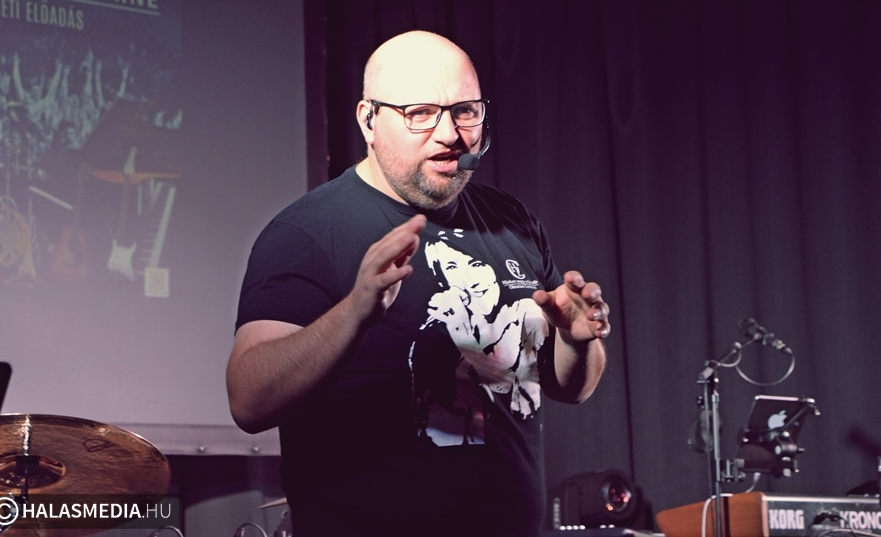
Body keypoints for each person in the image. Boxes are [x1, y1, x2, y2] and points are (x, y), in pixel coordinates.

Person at [227, 30, 609, 537]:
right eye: (421, 113)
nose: (449, 133)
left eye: (465, 111)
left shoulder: (512, 221)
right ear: (368, 119)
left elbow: (568, 388)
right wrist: (355, 312)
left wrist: (576, 341)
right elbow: (248, 401)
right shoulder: (307, 233)